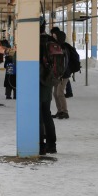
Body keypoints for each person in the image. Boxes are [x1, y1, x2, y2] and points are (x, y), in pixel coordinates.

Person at [39, 19, 56, 154]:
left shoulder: (33, 42)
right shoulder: (51, 41)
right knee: (47, 113)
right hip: (48, 82)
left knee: (37, 114)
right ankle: (52, 144)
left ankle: (40, 145)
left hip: (35, 82)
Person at [51, 29, 71, 119]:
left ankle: (65, 112)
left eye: (55, 36)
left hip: (63, 74)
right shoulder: (57, 46)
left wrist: (61, 73)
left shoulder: (63, 48)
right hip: (57, 74)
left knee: (59, 92)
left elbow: (64, 63)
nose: (53, 37)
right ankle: (59, 111)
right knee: (55, 93)